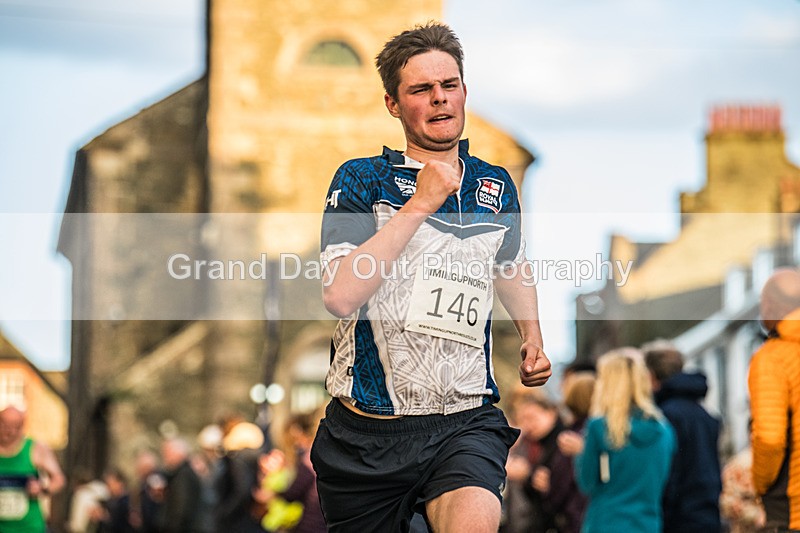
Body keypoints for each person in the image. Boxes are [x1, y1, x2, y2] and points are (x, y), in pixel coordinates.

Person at [313, 21, 551, 532]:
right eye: (422, 89)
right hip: (368, 435)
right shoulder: (361, 179)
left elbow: (509, 263)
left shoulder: (495, 184)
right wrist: (420, 203)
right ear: (394, 105)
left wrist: (532, 335)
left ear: (464, 90)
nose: (440, 100)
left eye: (450, 85)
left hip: (465, 421)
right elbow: (339, 294)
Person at [558, 348, 675, 533]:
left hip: (605, 523)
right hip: (648, 524)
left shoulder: (599, 427)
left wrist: (582, 453)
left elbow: (587, 483)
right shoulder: (665, 430)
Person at [643, 342, 722, 533]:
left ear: (651, 376)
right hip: (708, 514)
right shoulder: (704, 412)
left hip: (679, 519)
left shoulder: (665, 417)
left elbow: (670, 475)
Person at [748, 268, 800, 530]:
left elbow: (769, 439)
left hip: (791, 509)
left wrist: (760, 484)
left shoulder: (773, 357)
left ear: (769, 304)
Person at [0, 405, 65, 532]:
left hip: (29, 527)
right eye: (5, 426)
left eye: (15, 427)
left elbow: (59, 479)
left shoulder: (35, 449)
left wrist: (42, 489)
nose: (9, 431)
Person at [160, 437, 202, 533]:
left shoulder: (184, 475)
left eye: (167, 453)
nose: (165, 457)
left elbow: (181, 510)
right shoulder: (182, 474)